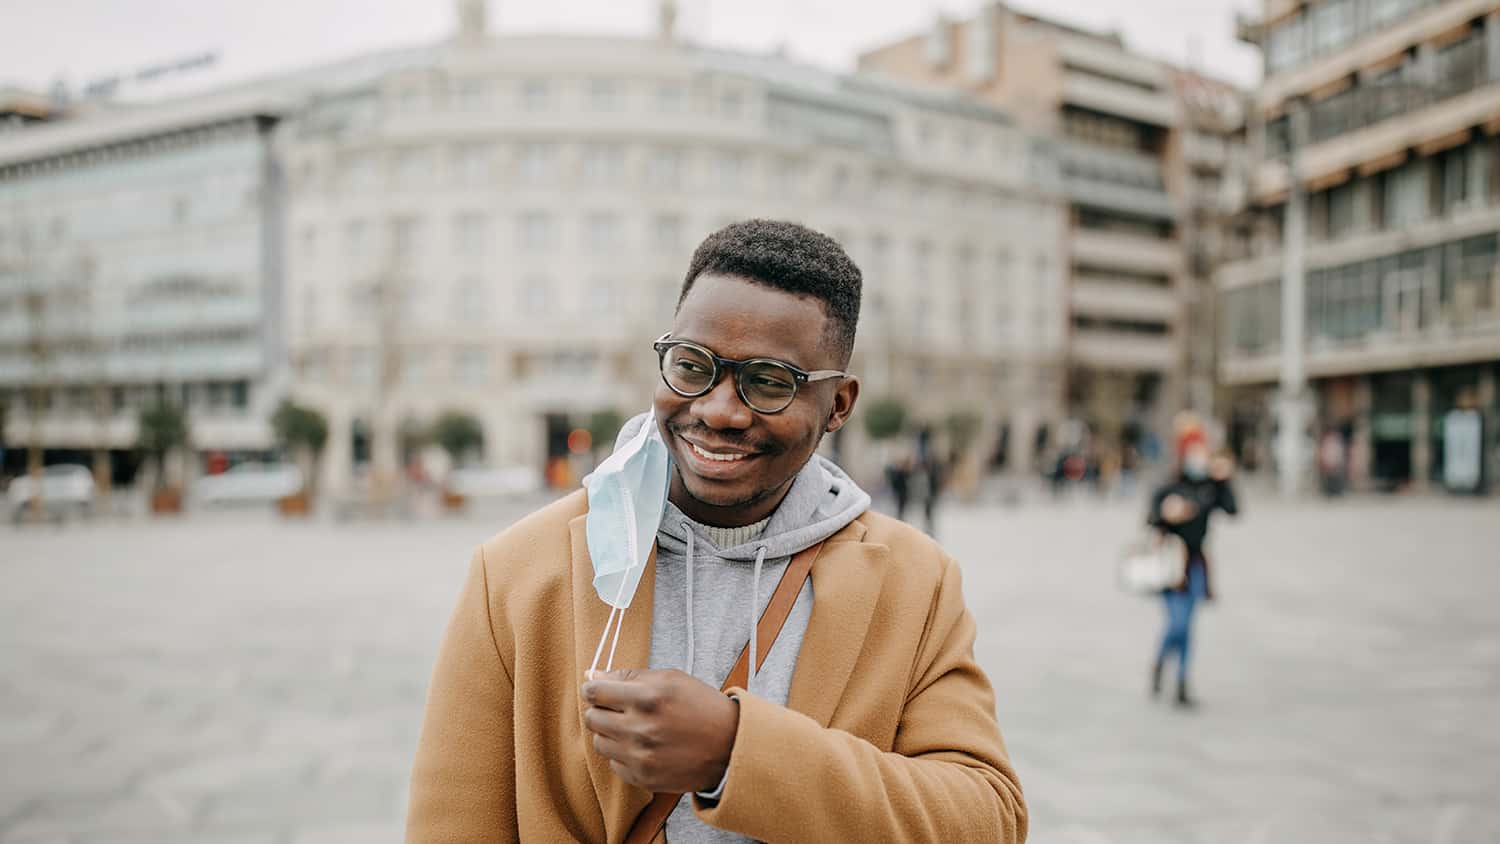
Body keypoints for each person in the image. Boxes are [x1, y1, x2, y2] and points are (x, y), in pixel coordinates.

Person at [406, 220, 1027, 843]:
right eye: (693, 365)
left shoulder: (916, 581)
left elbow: (989, 820)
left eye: (767, 382)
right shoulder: (515, 572)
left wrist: (734, 755)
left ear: (838, 404)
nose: (718, 410)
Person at [1147, 424, 1238, 708]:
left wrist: (1225, 480)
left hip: (1197, 565)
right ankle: (1161, 660)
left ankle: (1183, 681)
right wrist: (1167, 514)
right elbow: (1151, 519)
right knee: (1178, 624)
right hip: (1172, 566)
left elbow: (1233, 510)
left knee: (1189, 626)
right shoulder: (1169, 485)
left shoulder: (1210, 486)